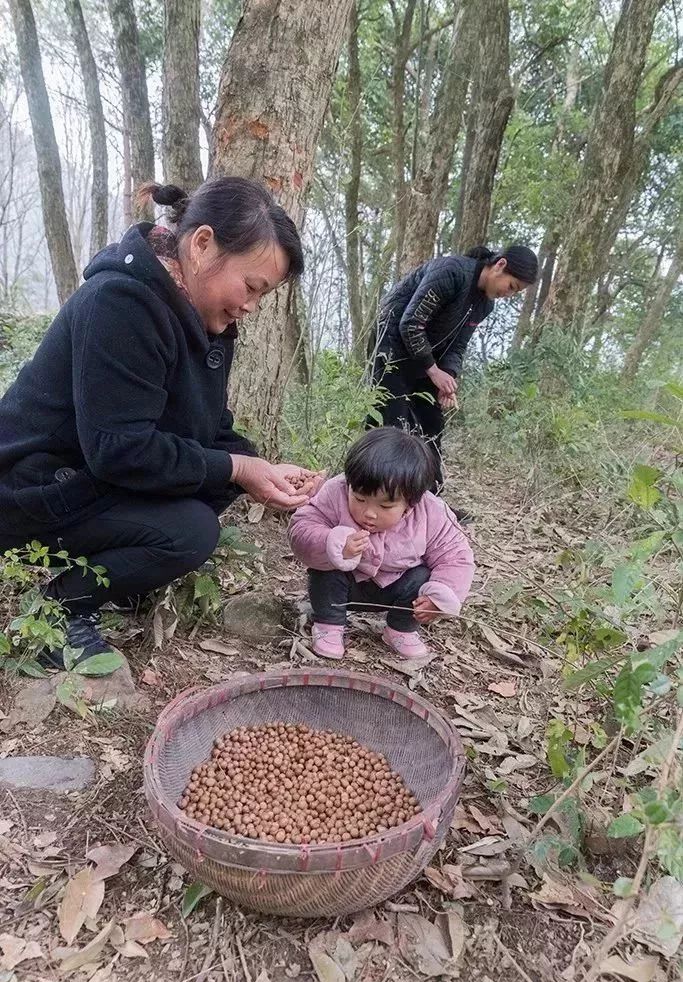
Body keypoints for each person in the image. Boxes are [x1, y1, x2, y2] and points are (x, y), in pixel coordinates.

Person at [0, 176, 323, 669]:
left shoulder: (203, 318)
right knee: (190, 531)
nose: (251, 306)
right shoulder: (120, 304)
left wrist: (263, 468)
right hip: (31, 488)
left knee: (214, 484)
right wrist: (236, 468)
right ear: (201, 244)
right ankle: (59, 611)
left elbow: (209, 428)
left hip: (86, 477)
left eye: (263, 295)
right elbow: (119, 448)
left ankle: (119, 575)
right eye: (251, 286)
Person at [288, 427, 474, 661]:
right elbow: (302, 525)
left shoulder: (432, 513)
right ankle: (329, 624)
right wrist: (332, 543)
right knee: (324, 571)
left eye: (385, 507)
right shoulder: (335, 492)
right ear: (350, 485)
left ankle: (400, 629)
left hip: (397, 587)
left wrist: (440, 597)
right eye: (359, 499)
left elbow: (456, 556)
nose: (369, 514)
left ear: (411, 502)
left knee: (423, 575)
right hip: (346, 583)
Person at [370, 244, 539, 486]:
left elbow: (458, 345)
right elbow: (410, 323)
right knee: (391, 424)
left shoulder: (485, 305)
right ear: (500, 265)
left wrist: (447, 377)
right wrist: (433, 370)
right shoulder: (451, 272)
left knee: (432, 423)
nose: (508, 294)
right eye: (511, 286)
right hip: (391, 349)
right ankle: (378, 493)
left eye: (516, 292)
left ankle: (431, 499)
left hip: (425, 358)